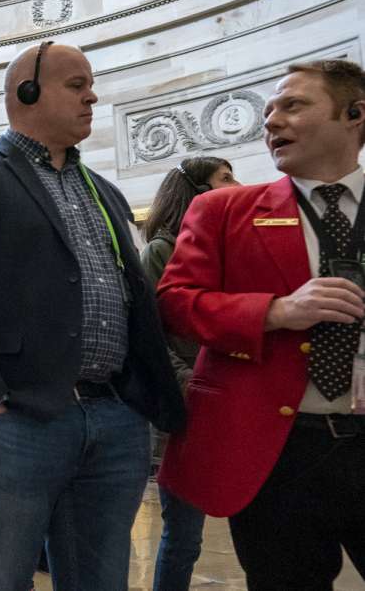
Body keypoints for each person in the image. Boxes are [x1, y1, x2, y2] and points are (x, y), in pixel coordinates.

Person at [0, 42, 185, 590]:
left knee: (101, 578)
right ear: (28, 92)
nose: (93, 95)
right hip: (18, 417)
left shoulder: (105, 192)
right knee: (1, 576)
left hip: (113, 416)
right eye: (77, 84)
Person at [157, 59, 365, 589]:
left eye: (292, 105)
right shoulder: (224, 211)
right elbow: (176, 304)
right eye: (269, 109)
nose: (270, 120)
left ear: (354, 113)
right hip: (278, 455)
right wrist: (275, 311)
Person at [139, 156, 239, 591]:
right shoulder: (162, 250)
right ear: (196, 192)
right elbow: (149, 335)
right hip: (188, 407)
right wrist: (191, 385)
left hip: (236, 403)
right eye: (225, 178)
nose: (237, 185)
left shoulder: (230, 247)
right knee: (183, 535)